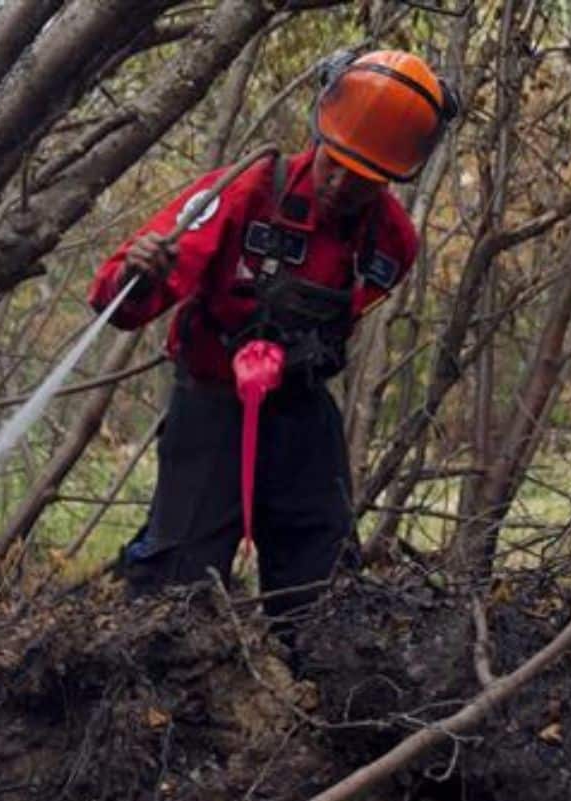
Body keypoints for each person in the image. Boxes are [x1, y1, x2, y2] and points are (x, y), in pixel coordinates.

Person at [89, 49, 456, 618]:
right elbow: (118, 304)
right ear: (320, 135)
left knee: (323, 580)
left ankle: (318, 687)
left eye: (363, 181)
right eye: (334, 165)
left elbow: (352, 315)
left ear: (389, 177)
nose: (340, 185)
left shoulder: (391, 242)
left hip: (299, 408)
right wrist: (139, 277)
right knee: (174, 587)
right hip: (211, 402)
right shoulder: (246, 192)